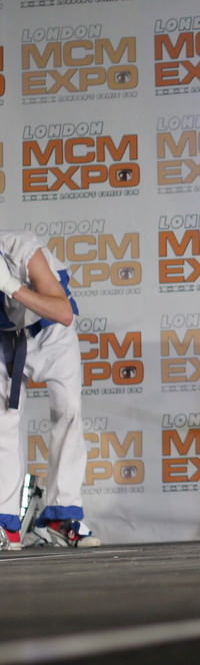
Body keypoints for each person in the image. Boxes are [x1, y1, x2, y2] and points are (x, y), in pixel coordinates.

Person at [0, 230, 100, 549]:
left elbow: (63, 312)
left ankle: (60, 517)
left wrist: (10, 285)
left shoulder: (20, 249)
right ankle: (5, 525)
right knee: (3, 425)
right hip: (6, 340)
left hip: (51, 333)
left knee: (68, 412)